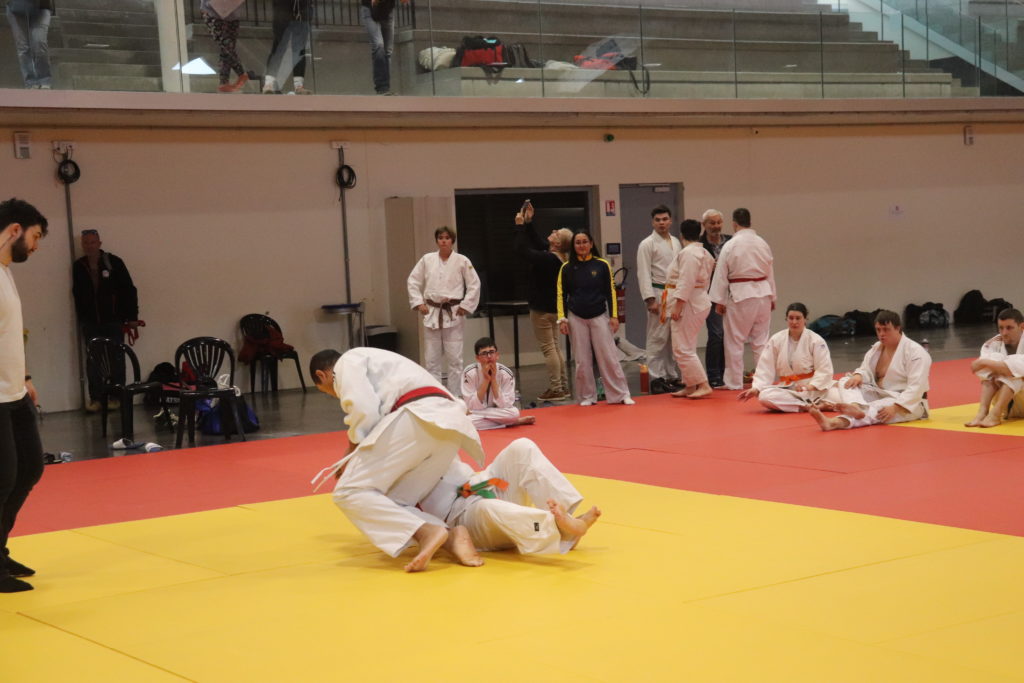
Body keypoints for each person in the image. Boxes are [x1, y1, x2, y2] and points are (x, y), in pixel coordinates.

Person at [309, 347, 486, 572]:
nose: (333, 394)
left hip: (418, 418)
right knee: (390, 502)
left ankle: (427, 531)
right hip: (452, 428)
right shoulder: (384, 363)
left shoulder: (347, 361)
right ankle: (451, 538)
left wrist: (351, 452)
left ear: (322, 375)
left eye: (326, 391)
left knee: (349, 491)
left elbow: (364, 411)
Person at [418, 437, 601, 558]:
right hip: (459, 519)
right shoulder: (401, 461)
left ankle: (566, 520)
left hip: (478, 484)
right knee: (487, 508)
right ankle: (558, 531)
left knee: (521, 447)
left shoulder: (430, 433)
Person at [0, 198, 47, 593]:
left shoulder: (5, 272)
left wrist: (25, 375)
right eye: (35, 237)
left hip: (14, 392)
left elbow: (10, 332)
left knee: (30, 468)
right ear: (14, 230)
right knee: (3, 478)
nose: (35, 246)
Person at [810, 310, 931, 431]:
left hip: (907, 403)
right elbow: (865, 370)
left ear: (898, 328)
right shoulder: (877, 348)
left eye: (886, 329)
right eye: (878, 330)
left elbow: (917, 387)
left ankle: (834, 423)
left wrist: (896, 407)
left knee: (875, 409)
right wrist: (859, 376)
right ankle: (855, 406)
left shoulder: (915, 353)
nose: (881, 334)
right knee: (846, 382)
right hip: (879, 393)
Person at [557, 231, 634, 407]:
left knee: (609, 357)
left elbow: (611, 291)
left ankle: (620, 394)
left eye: (585, 242)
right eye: (578, 242)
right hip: (576, 317)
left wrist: (614, 316)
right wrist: (562, 319)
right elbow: (561, 294)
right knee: (582, 360)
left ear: (591, 244)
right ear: (573, 246)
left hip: (599, 315)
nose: (581, 245)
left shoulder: (602, 265)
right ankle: (586, 396)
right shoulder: (566, 268)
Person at [71, 229, 139, 413]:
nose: (89, 246)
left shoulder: (114, 262)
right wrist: (83, 316)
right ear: (82, 245)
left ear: (99, 243)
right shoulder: (79, 266)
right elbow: (77, 294)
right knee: (93, 361)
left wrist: (132, 317)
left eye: (92, 242)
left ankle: (117, 397)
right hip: (91, 322)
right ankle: (96, 399)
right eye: (86, 243)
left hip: (113, 320)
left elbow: (129, 290)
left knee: (116, 359)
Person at [406, 225, 480, 395]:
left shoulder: (462, 260)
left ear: (452, 240)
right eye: (440, 238)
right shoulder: (427, 259)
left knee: (455, 360)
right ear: (437, 241)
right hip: (432, 313)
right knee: (431, 360)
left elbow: (474, 284)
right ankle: (436, 395)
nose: (444, 241)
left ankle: (455, 395)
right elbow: (413, 281)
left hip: (453, 313)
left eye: (447, 238)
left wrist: (465, 305)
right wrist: (419, 303)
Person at [708, 208, 776, 391]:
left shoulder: (731, 245)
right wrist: (773, 296)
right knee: (761, 341)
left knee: (735, 341)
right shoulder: (762, 243)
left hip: (741, 295)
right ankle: (764, 382)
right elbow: (769, 270)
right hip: (763, 293)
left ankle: (734, 382)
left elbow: (721, 274)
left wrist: (719, 301)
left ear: (734, 223)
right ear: (750, 222)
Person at [514, 202, 572, 402]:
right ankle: (562, 385)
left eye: (557, 233)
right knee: (555, 347)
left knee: (549, 349)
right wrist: (529, 222)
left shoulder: (548, 259)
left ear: (558, 243)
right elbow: (538, 242)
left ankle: (556, 388)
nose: (553, 231)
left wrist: (519, 226)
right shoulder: (558, 258)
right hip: (554, 309)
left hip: (542, 309)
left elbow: (522, 250)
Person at [738, 302, 834, 412]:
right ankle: (807, 406)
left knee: (840, 394)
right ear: (786, 319)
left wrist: (809, 387)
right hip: (788, 389)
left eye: (798, 318)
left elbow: (824, 369)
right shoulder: (777, 339)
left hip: (810, 388)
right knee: (764, 396)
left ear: (805, 319)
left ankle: (806, 403)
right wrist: (756, 388)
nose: (794, 322)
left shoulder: (816, 340)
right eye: (791, 318)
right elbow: (765, 366)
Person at [666, 219, 715, 399]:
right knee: (688, 345)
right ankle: (690, 384)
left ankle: (703, 384)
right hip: (698, 299)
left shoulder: (689, 253)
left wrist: (678, 305)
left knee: (682, 347)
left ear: (681, 235)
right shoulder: (705, 253)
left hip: (689, 303)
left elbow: (686, 281)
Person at [636, 204, 682, 394]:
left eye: (665, 219)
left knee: (672, 337)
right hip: (658, 293)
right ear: (652, 222)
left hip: (674, 293)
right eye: (658, 220)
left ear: (670, 221)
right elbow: (643, 273)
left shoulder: (676, 242)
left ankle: (671, 375)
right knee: (657, 337)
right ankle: (656, 377)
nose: (662, 223)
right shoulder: (647, 244)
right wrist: (649, 299)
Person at [965, 307, 1024, 428]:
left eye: (1009, 328)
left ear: (1022, 326)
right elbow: (983, 372)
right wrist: (990, 365)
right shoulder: (993, 343)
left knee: (1015, 374)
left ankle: (995, 415)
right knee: (993, 367)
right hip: (1010, 408)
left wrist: (984, 362)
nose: (1004, 333)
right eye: (1001, 328)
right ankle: (982, 412)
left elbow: (1017, 368)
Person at [461, 337, 535, 430]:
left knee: (514, 413)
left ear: (497, 355)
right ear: (477, 358)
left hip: (494, 412)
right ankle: (512, 422)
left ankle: (510, 420)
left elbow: (505, 405)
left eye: (491, 352)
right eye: (484, 353)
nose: (489, 356)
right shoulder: (469, 373)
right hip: (494, 415)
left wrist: (493, 380)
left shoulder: (506, 373)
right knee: (464, 422)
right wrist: (486, 380)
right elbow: (472, 405)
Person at [699, 209, 731, 388]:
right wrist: (710, 267)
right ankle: (713, 375)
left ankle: (727, 372)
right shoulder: (699, 245)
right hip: (710, 295)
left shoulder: (731, 241)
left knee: (729, 335)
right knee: (716, 334)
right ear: (704, 225)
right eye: (712, 223)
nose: (716, 226)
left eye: (718, 222)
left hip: (730, 294)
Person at [262, 0, 312, 95]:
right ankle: (269, 83)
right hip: (284, 11)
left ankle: (298, 85)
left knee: (299, 50)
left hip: (300, 12)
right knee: (279, 47)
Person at [360, 0, 409, 95]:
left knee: (388, 51)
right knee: (378, 45)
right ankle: (382, 87)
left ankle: (386, 88)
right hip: (369, 9)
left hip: (387, 10)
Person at [199, 0, 249, 93]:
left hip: (227, 11)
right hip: (218, 11)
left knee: (226, 47)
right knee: (226, 46)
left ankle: (225, 81)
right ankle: (238, 75)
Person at [6, 0, 52, 89]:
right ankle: (30, 82)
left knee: (39, 42)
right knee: (23, 47)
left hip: (41, 7)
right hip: (16, 8)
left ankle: (44, 79)